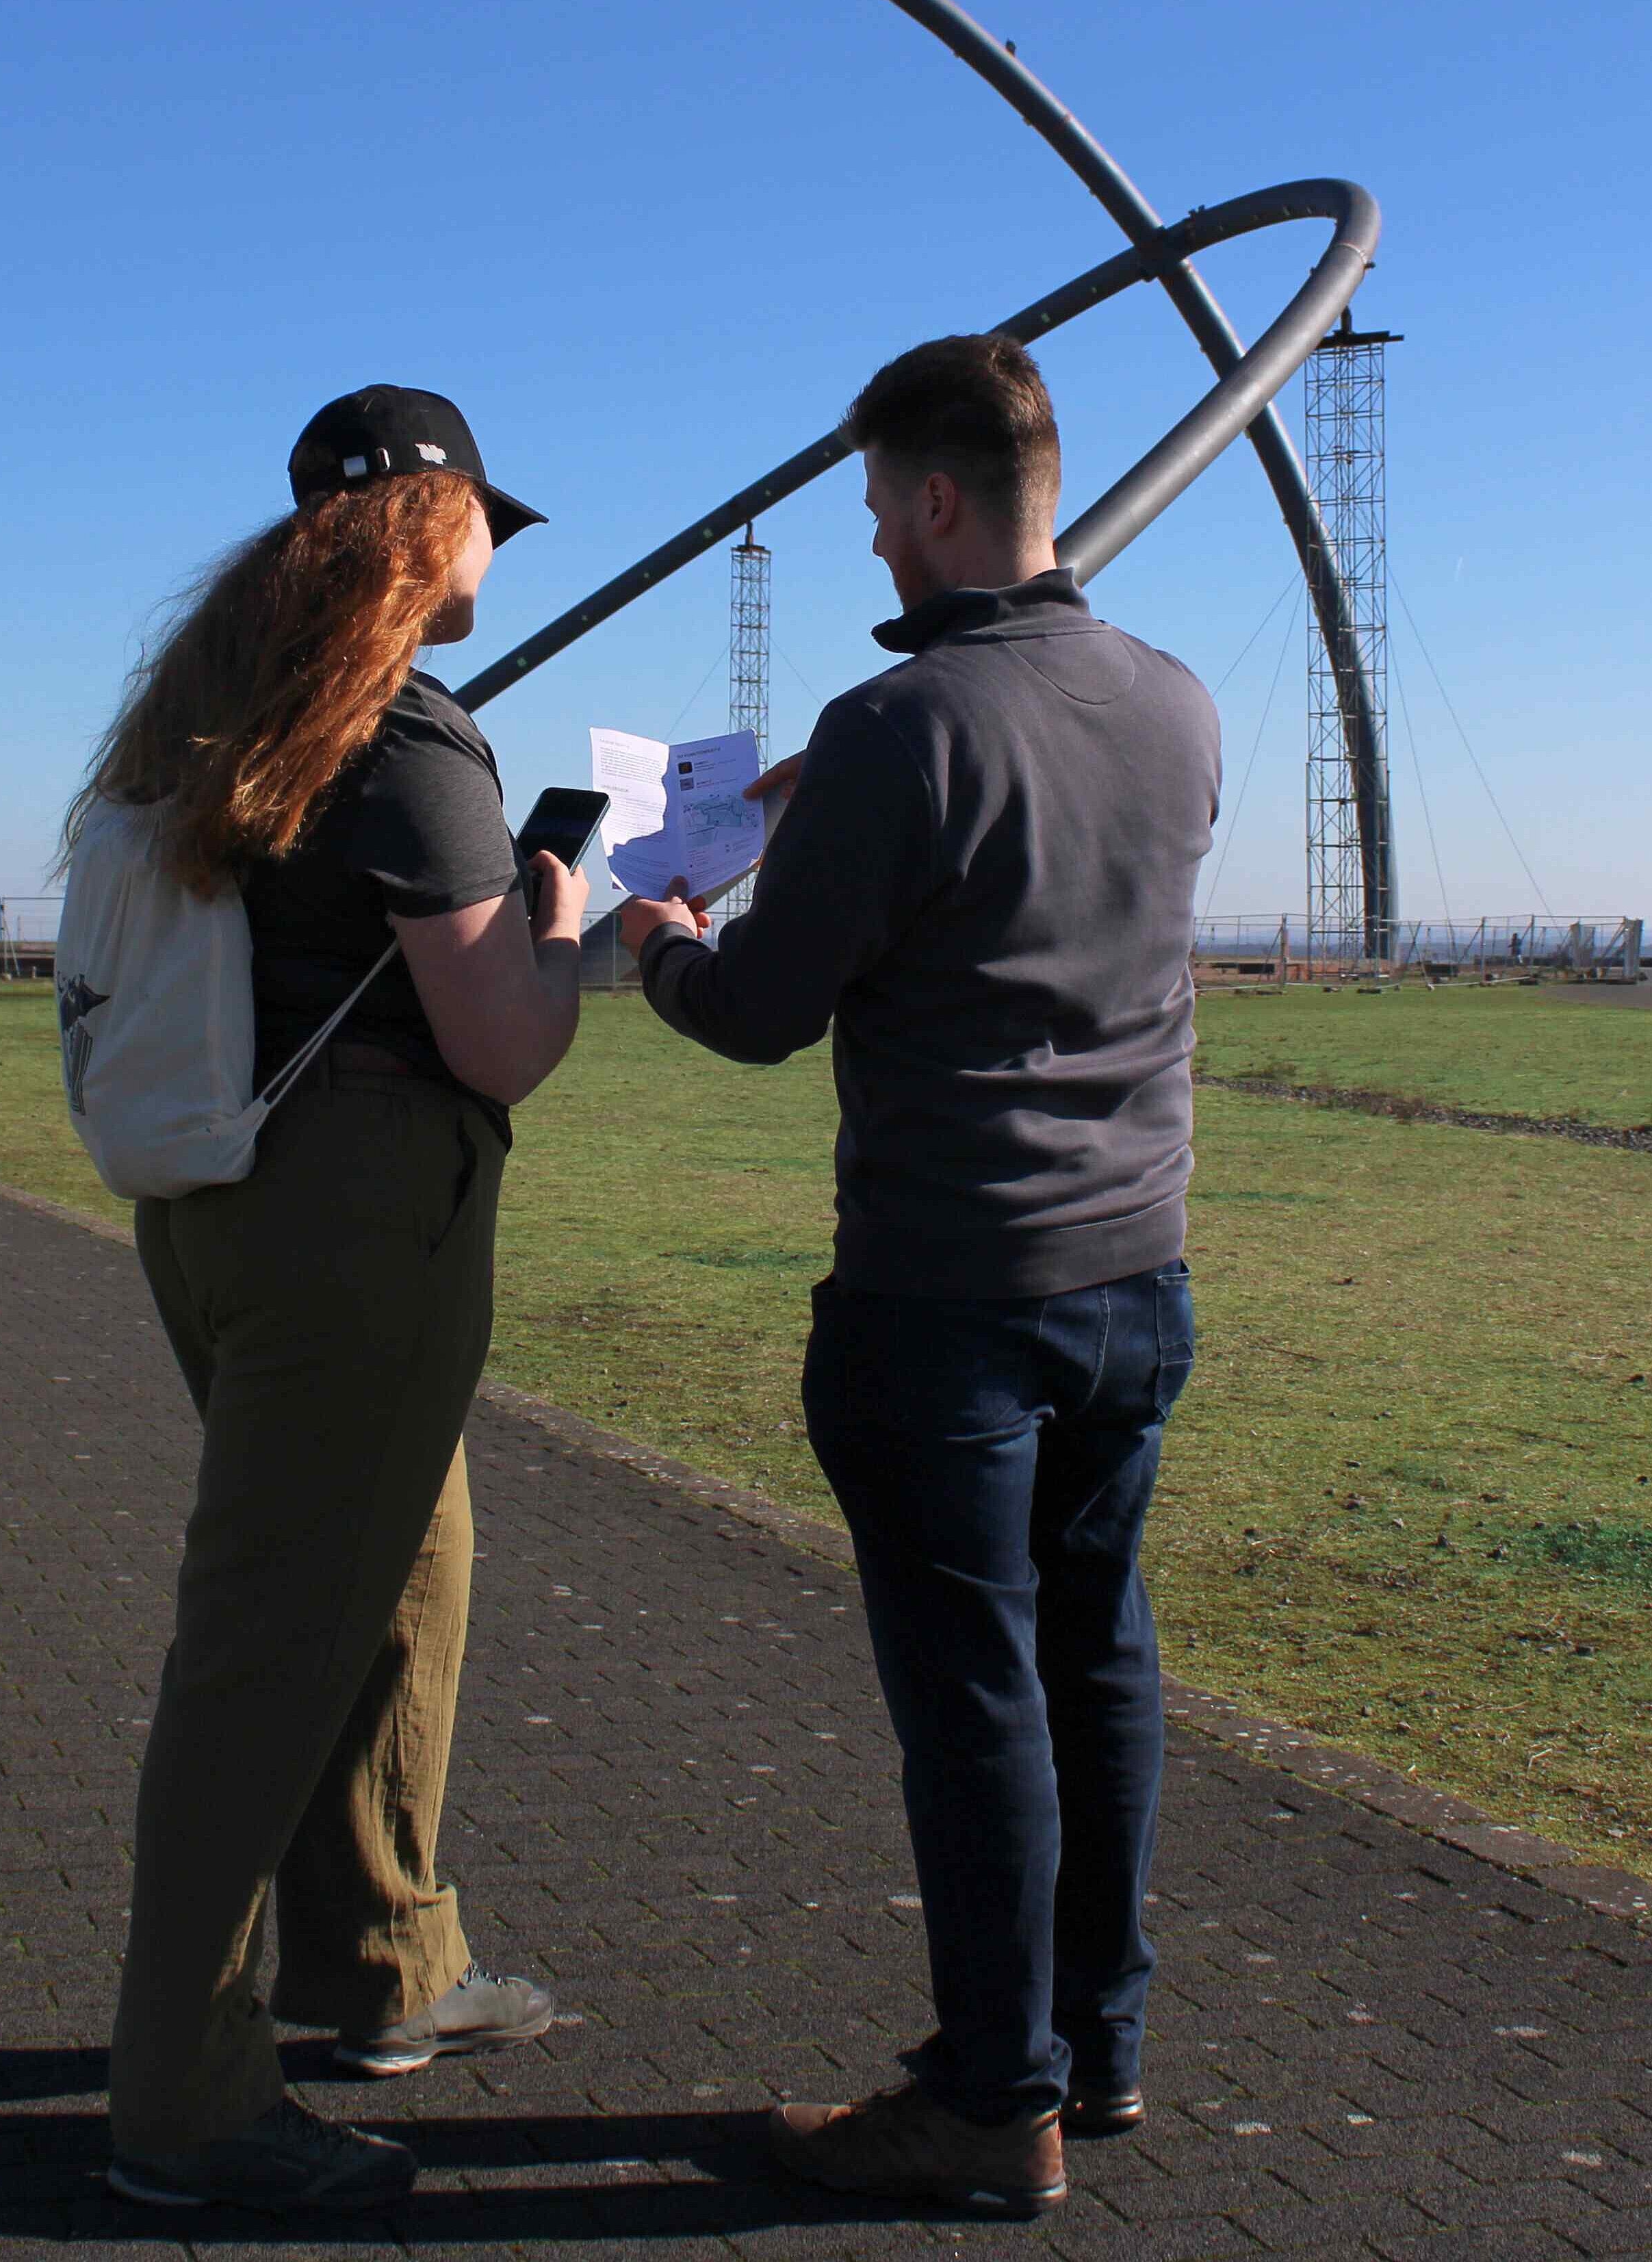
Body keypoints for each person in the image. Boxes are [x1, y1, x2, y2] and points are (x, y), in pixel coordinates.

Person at [617, 334, 1219, 2217]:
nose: (875, 545)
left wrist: (655, 937)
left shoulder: (900, 732)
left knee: (976, 1700)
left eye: (879, 510)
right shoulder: (1176, 700)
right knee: (1096, 1657)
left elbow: (760, 1012)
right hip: (1136, 1275)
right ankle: (1093, 2053)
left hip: (948, 1291)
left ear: (939, 499)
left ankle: (987, 2100)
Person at [77, 385, 589, 2214]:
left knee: (409, 1561)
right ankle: (188, 2102)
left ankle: (385, 1963)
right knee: (269, 1644)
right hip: (354, 1239)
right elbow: (501, 1043)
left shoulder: (212, 711)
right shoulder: (410, 744)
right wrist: (568, 918)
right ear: (425, 523)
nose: (492, 558)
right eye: (481, 522)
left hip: (211, 1216)